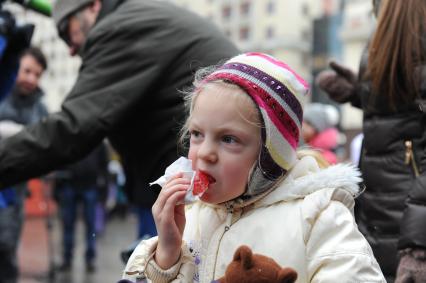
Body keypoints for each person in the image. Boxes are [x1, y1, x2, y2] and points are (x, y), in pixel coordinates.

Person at [122, 52, 385, 282]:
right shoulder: (191, 218)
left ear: (269, 156)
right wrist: (166, 258)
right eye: (197, 134)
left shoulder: (318, 218)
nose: (204, 154)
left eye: (228, 139)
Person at [0, 0, 239, 242]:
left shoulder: (117, 28)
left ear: (93, 6)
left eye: (66, 31)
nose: (70, 50)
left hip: (198, 184)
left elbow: (74, 127)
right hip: (207, 174)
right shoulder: (138, 17)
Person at [316, 0, 426, 282]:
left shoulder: (412, 26)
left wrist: (418, 247)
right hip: (381, 213)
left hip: (408, 225)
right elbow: (403, 110)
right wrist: (359, 91)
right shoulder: (390, 29)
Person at [0, 47, 48, 283]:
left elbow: (47, 146)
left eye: (37, 74)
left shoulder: (39, 107)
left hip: (14, 198)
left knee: (7, 255)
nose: (31, 79)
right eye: (27, 71)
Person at [54, 143, 109, 273]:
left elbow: (104, 166)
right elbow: (59, 162)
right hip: (70, 186)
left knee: (91, 226)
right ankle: (67, 258)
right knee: (68, 225)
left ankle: (89, 259)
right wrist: (57, 188)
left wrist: (104, 190)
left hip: (90, 186)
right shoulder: (69, 137)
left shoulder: (98, 140)